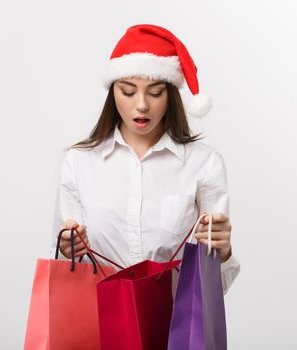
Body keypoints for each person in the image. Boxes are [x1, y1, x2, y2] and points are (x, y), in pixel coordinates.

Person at [49, 24, 240, 294]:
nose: (141, 105)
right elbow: (65, 274)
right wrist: (69, 250)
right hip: (100, 326)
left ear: (171, 94)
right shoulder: (80, 162)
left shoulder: (204, 164)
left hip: (175, 329)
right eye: (128, 92)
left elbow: (214, 290)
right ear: (113, 92)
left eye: (155, 93)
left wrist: (223, 252)